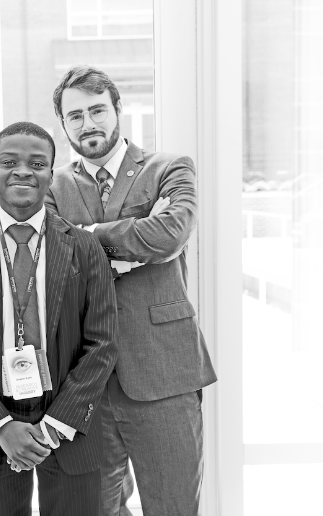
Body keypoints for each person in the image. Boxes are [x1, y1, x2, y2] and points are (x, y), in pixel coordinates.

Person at [45, 65, 218, 516]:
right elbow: (50, 261)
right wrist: (135, 241)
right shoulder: (52, 187)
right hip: (85, 382)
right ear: (63, 123)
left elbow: (170, 234)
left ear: (118, 109)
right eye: (75, 115)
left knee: (174, 507)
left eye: (97, 110)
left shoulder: (170, 168)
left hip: (163, 371)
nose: (88, 123)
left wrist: (86, 236)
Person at [0, 122, 117, 516]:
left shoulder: (85, 247)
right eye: (9, 162)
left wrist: (56, 424)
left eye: (36, 163)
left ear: (51, 173)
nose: (22, 171)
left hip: (68, 422)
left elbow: (102, 344)